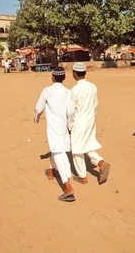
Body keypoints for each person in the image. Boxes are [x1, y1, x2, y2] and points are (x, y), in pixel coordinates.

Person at [34, 67, 76, 202]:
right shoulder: (68, 93)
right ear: (64, 78)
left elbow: (38, 108)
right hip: (63, 126)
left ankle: (67, 187)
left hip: (53, 128)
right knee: (58, 149)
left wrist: (36, 118)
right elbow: (71, 112)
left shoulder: (47, 91)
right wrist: (70, 127)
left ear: (53, 77)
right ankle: (51, 171)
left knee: (59, 153)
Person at [69, 62, 111, 185]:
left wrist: (70, 125)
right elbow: (95, 105)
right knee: (86, 144)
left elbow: (72, 110)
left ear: (75, 74)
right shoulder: (93, 86)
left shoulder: (75, 90)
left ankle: (82, 176)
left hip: (79, 121)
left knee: (77, 149)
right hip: (90, 119)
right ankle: (100, 162)